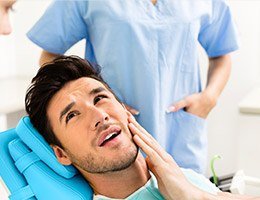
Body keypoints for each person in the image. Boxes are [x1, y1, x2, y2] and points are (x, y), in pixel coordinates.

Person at [27, 0, 240, 173]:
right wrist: (97, 102)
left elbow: (221, 53)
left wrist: (209, 98)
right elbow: (50, 55)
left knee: (188, 188)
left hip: (181, 128)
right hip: (116, 130)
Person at [24, 56, 258, 200]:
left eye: (100, 98)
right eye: (73, 115)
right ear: (61, 153)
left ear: (126, 112)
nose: (100, 115)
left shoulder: (182, 179)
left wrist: (195, 194)